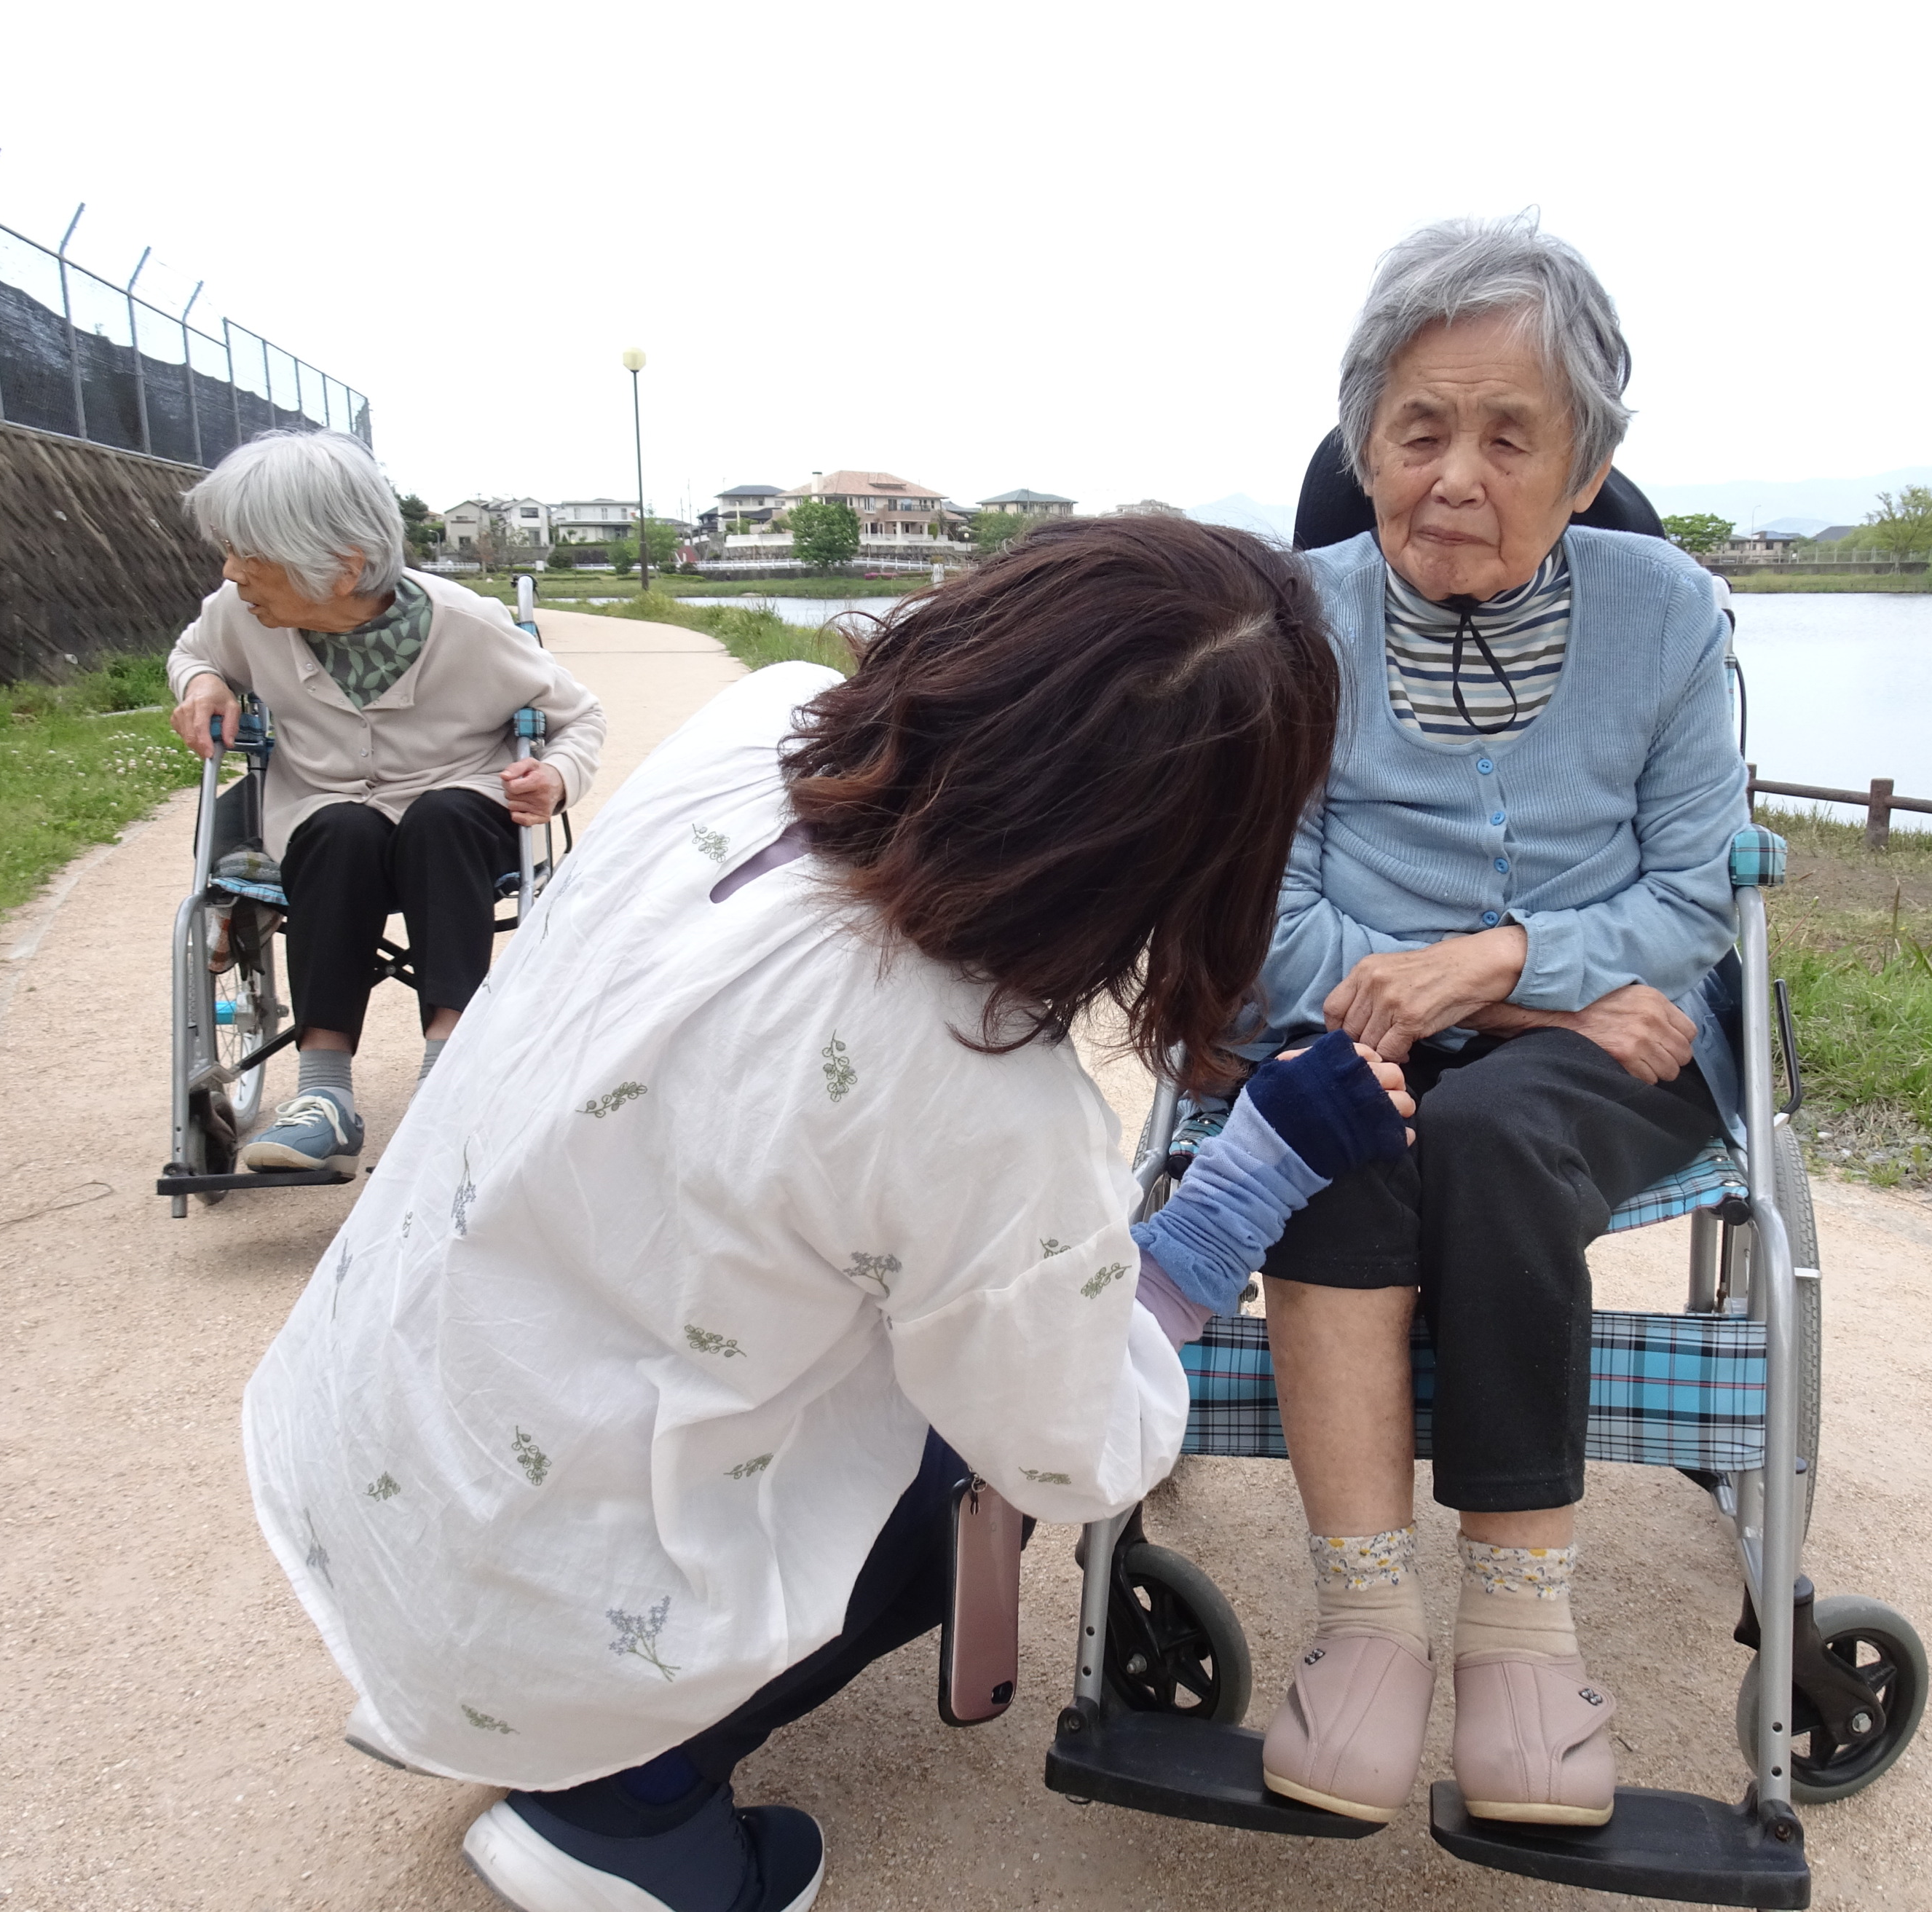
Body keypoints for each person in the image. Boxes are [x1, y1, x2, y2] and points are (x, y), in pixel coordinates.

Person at [240, 516, 1419, 1912]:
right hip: (524, 1586)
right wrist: (1254, 1177)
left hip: (361, 1451)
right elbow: (1071, 1447)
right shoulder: (978, 1092)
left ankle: (498, 1685)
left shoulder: (760, 720)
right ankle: (619, 1816)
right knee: (955, 1496)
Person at [1239, 216, 1749, 1830]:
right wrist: (1526, 985)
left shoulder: (1671, 614)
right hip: (1440, 1024)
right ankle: (1370, 1626)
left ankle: (1522, 1641)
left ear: (1584, 467)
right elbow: (1266, 918)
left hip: (1618, 1064)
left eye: (1507, 434)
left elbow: (1692, 897)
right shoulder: (1289, 621)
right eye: (1417, 428)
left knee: (1491, 1123)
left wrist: (1487, 975)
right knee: (1335, 1125)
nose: (1453, 475)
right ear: (1364, 442)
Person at [167, 430, 605, 1171]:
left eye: (251, 554)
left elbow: (579, 718)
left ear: (340, 568)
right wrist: (202, 683)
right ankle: (323, 1094)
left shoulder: (468, 627)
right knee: (341, 829)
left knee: (441, 817)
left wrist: (557, 776)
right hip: (323, 825)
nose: (231, 570)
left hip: (462, 821)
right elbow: (194, 651)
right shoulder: (240, 614)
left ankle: (450, 1072)